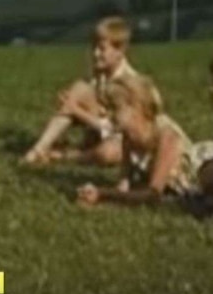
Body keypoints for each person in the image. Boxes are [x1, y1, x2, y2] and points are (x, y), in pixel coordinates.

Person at [22, 16, 148, 166]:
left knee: (109, 153)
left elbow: (115, 129)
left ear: (120, 50)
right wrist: (72, 105)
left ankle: (66, 156)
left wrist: (75, 110)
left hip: (123, 140)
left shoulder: (128, 84)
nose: (95, 54)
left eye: (102, 49)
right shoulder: (99, 74)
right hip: (99, 129)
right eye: (94, 47)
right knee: (79, 89)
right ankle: (39, 149)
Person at [76, 74, 213, 208]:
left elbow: (153, 194)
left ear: (136, 107)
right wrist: (97, 194)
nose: (107, 114)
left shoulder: (165, 136)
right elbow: (123, 187)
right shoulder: (128, 138)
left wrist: (103, 194)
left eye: (114, 108)